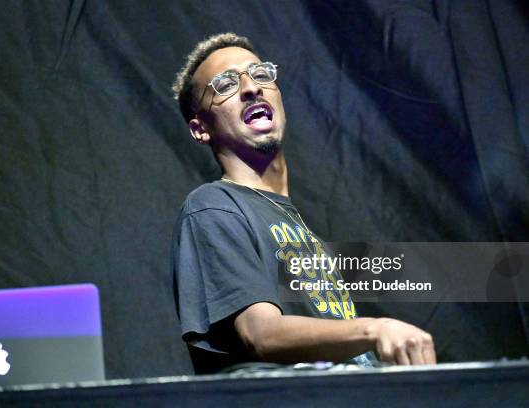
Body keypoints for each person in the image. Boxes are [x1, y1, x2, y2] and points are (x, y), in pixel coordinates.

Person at [171, 33, 436, 374]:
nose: (251, 88)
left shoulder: (302, 232)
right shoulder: (212, 207)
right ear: (200, 128)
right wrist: (376, 329)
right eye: (225, 84)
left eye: (261, 74)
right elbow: (260, 333)